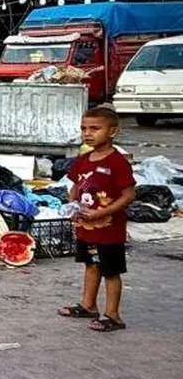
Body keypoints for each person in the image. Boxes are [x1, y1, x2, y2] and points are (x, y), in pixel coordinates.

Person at [58, 106, 136, 332]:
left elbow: (129, 195)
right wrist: (72, 206)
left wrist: (101, 213)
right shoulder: (84, 159)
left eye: (95, 129)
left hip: (109, 230)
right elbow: (75, 186)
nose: (87, 134)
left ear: (112, 132)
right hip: (86, 228)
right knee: (91, 265)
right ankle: (88, 305)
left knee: (111, 271)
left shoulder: (118, 162)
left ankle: (113, 315)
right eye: (84, 129)